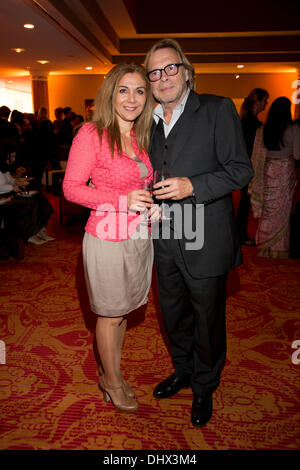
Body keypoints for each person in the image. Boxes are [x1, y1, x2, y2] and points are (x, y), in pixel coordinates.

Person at [144, 38, 254, 427]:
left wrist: (194, 186)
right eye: (154, 72)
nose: (163, 77)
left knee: (207, 317)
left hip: (204, 231)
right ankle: (183, 371)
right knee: (172, 312)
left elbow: (241, 169)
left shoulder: (217, 108)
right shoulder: (149, 119)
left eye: (170, 67)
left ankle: (205, 385)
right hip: (164, 233)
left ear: (186, 71)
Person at [63, 62, 155, 413]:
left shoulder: (140, 137)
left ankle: (111, 371)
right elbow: (70, 189)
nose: (132, 98)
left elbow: (140, 185)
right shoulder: (92, 133)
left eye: (140, 90)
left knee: (124, 313)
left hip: (137, 235)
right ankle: (112, 382)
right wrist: (121, 201)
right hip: (105, 235)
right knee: (110, 313)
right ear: (110, 94)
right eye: (124, 90)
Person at [249, 97, 300, 258]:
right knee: (282, 212)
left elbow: (256, 155)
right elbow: (298, 155)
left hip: (267, 170)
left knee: (267, 210)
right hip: (285, 172)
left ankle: (264, 247)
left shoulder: (263, 129)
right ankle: (278, 250)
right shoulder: (294, 129)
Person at [236, 88, 269, 246]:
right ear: (259, 101)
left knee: (244, 203)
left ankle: (240, 234)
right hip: (248, 166)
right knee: (244, 203)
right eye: (265, 101)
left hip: (245, 166)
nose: (266, 105)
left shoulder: (246, 121)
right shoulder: (252, 123)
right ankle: (240, 235)